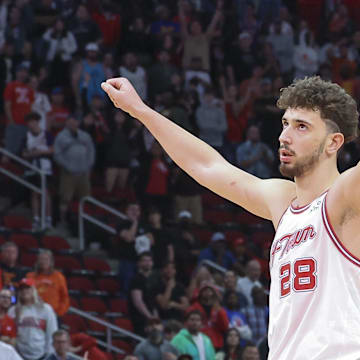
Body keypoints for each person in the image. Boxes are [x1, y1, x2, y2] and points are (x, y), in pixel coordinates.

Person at [102, 75, 360, 358]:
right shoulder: (282, 201)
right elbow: (208, 165)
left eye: (302, 127)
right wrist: (139, 110)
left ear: (334, 142)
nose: (284, 136)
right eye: (285, 124)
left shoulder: (345, 196)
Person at [54, 115, 95, 227]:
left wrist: (88, 166)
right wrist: (67, 166)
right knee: (65, 198)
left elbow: (91, 152)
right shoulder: (61, 137)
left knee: (86, 198)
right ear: (66, 123)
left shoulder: (85, 136)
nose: (73, 124)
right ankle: (63, 221)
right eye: (70, 122)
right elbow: (57, 154)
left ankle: (85, 223)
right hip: (68, 173)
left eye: (75, 122)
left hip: (83, 173)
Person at [8, 278, 58, 360]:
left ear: (34, 290)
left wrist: (49, 354)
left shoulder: (45, 309)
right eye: (22, 289)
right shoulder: (13, 311)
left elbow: (52, 333)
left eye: (27, 288)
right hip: (18, 355)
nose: (24, 291)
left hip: (42, 355)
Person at [22, 112, 54, 230]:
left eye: (33, 121)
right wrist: (32, 154)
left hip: (45, 167)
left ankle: (48, 219)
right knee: (34, 193)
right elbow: (24, 153)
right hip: (33, 167)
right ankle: (36, 219)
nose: (31, 124)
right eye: (29, 122)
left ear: (37, 121)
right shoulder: (27, 136)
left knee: (46, 193)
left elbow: (52, 149)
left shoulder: (46, 134)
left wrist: (40, 152)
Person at [26, 250, 70, 317]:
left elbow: (65, 297)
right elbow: (25, 295)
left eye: (46, 259)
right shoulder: (30, 276)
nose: (43, 262)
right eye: (41, 259)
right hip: (33, 314)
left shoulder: (59, 277)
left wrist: (59, 312)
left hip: (54, 314)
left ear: (51, 262)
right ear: (37, 261)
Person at [128, 252, 158, 336]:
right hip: (140, 319)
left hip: (151, 319)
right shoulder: (136, 279)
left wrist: (155, 316)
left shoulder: (152, 280)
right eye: (144, 260)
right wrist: (150, 317)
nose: (147, 263)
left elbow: (153, 301)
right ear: (139, 263)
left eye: (149, 260)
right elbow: (138, 302)